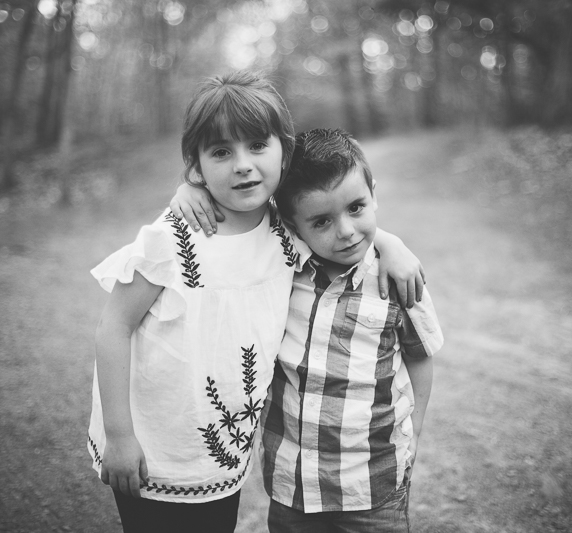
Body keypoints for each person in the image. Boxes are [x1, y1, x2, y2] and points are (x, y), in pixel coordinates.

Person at [88, 71, 424, 533]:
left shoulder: (285, 231)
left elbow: (335, 224)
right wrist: (119, 435)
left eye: (258, 146)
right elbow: (114, 327)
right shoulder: (175, 235)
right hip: (151, 442)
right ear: (196, 164)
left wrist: (390, 243)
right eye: (221, 152)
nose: (243, 165)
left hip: (221, 452)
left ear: (285, 150)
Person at [171, 128, 443, 532]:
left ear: (373, 195)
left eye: (356, 208)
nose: (345, 231)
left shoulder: (398, 280)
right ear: (293, 226)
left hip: (372, 482)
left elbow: (420, 356)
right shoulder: (282, 268)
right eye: (322, 222)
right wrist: (189, 189)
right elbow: (237, 204)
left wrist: (414, 431)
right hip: (292, 481)